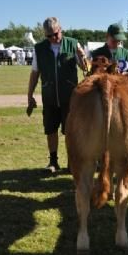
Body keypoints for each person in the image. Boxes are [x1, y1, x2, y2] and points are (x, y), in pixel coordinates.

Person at [27, 17, 87, 173]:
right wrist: (30, 94)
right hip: (49, 96)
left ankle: (71, 161)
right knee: (50, 129)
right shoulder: (39, 49)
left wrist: (82, 55)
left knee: (70, 131)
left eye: (55, 34)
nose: (53, 38)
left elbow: (85, 68)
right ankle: (53, 161)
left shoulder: (73, 44)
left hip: (70, 97)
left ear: (61, 30)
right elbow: (35, 73)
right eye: (49, 36)